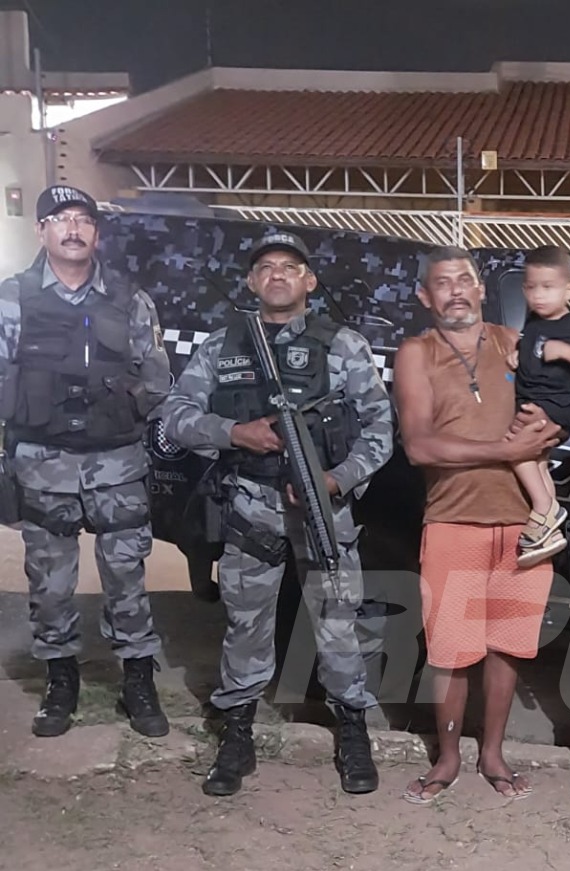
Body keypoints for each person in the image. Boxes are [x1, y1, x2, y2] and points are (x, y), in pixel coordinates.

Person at [161, 230, 394, 797]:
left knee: (338, 623)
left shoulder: (343, 346)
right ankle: (236, 734)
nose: (278, 275)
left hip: (324, 507)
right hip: (249, 504)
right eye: (266, 267)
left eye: (290, 266)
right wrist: (233, 432)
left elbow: (381, 428)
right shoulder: (223, 346)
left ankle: (353, 730)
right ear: (252, 281)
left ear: (308, 280)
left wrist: (337, 478)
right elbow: (175, 415)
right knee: (246, 626)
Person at [0, 185, 172, 739]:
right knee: (50, 584)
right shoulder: (12, 299)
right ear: (41, 230)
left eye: (82, 219)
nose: (72, 229)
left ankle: (138, 680)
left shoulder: (129, 299)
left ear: (97, 233)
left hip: (116, 463)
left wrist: (121, 409)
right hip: (42, 465)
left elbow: (157, 376)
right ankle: (61, 680)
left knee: (127, 578)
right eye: (60, 219)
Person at [394, 245, 561, 804]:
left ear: (482, 288)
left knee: (505, 646)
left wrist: (548, 427)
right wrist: (503, 450)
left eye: (465, 280)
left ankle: (493, 753)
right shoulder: (416, 353)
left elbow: (556, 412)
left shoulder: (514, 342)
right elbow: (419, 446)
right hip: (454, 522)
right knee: (449, 651)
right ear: (426, 296)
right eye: (443, 283)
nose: (456, 291)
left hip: (524, 527)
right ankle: (447, 757)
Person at [506, 245, 570, 567]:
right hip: (532, 402)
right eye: (531, 287)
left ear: (569, 290)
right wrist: (517, 353)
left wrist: (564, 350)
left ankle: (544, 508)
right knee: (537, 461)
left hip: (552, 407)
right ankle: (549, 527)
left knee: (516, 451)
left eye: (548, 287)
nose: (538, 295)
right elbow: (531, 346)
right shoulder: (535, 320)